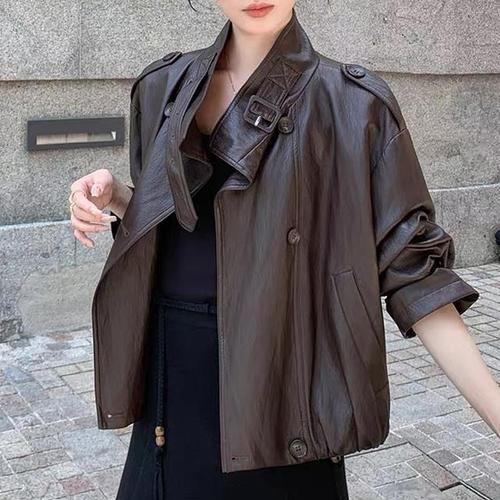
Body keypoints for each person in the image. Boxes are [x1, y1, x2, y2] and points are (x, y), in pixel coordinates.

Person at [68, 1, 500, 499]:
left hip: (285, 381)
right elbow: (183, 229)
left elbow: (417, 275)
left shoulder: (354, 105)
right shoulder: (160, 87)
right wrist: (121, 199)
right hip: (176, 385)